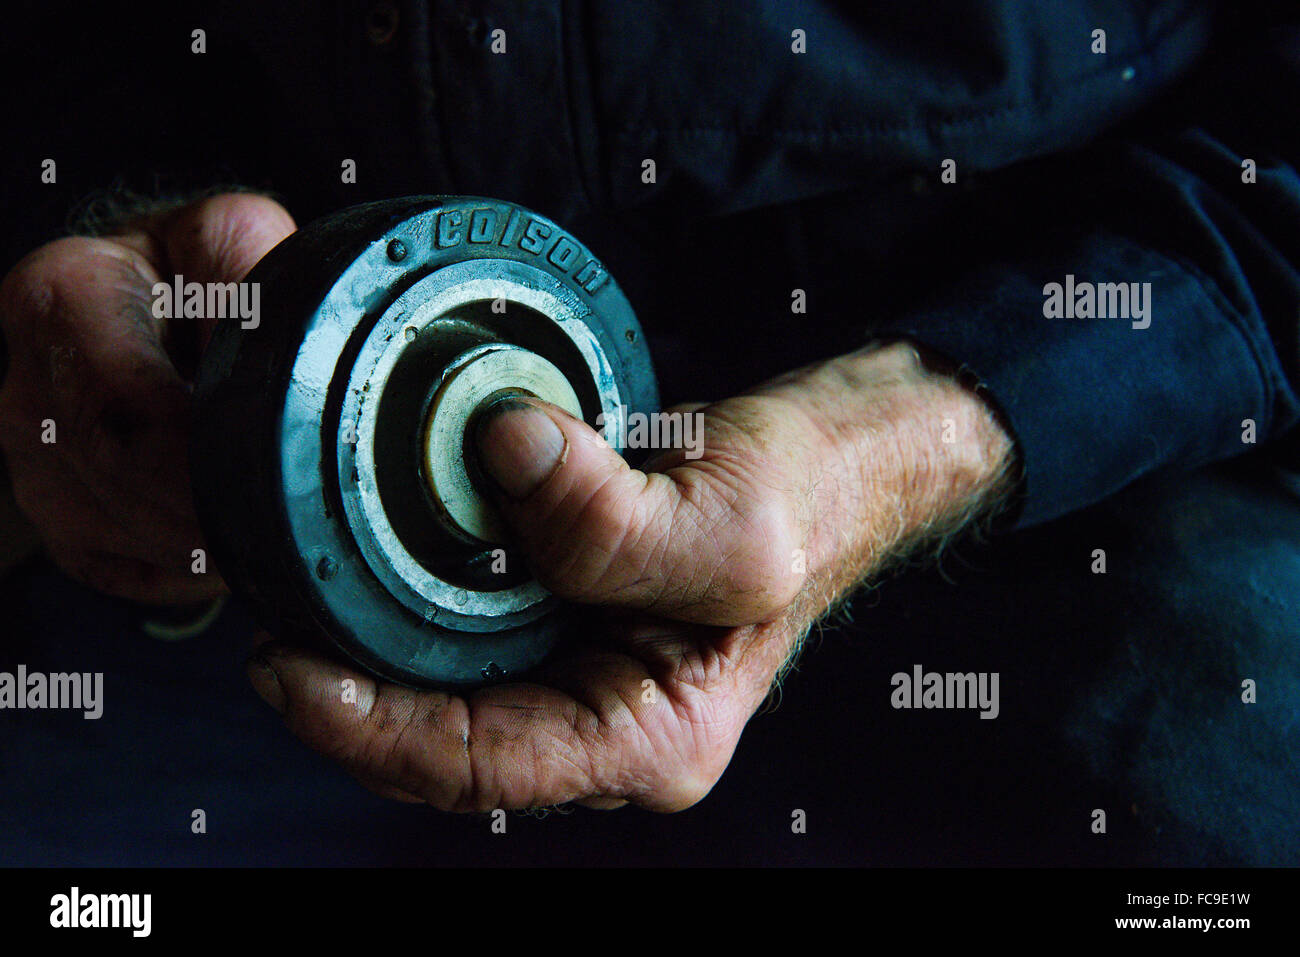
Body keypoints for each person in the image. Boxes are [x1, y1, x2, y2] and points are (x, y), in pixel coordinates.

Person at [0, 0, 1296, 864]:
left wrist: (893, 445)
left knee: (1206, 793)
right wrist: (122, 268)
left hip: (1029, 423)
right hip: (280, 498)